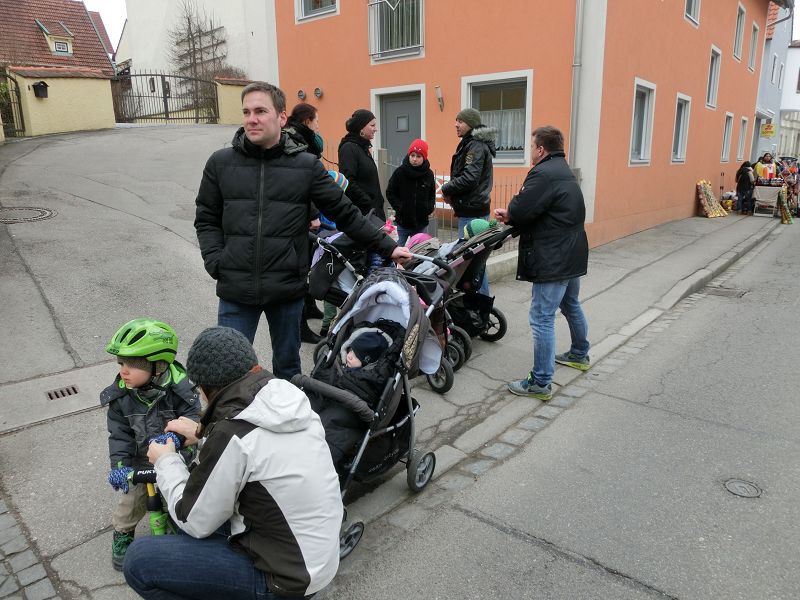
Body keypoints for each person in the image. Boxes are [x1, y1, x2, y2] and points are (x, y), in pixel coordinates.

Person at [194, 82, 411, 380]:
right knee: (229, 374)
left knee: (288, 369)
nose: (251, 119)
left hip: (286, 288)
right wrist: (216, 262)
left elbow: (346, 214)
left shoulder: (305, 166)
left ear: (281, 117)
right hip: (236, 288)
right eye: (246, 112)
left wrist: (388, 246)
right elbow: (206, 218)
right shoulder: (220, 164)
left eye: (260, 111)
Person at [123, 326, 343, 599]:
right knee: (199, 507)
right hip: (315, 558)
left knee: (139, 560)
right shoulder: (288, 401)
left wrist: (166, 460)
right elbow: (255, 451)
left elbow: (193, 519)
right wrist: (203, 434)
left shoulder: (232, 435)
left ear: (207, 387)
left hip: (283, 580)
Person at [494, 126, 590, 401]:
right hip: (572, 252)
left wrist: (509, 213)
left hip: (554, 256)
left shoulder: (543, 174)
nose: (530, 151)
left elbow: (522, 208)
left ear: (540, 149)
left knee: (541, 318)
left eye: (531, 146)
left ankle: (540, 381)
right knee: (570, 304)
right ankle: (579, 354)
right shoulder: (564, 171)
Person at [101, 318, 200, 571]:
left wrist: (177, 441)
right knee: (130, 503)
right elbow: (120, 436)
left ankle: (180, 525)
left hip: (175, 456)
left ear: (158, 366)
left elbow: (193, 420)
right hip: (140, 461)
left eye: (133, 364)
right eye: (121, 363)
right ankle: (123, 534)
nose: (123, 371)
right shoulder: (121, 397)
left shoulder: (181, 390)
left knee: (181, 498)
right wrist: (120, 466)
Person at [441, 107, 497, 296]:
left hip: (472, 212)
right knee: (476, 262)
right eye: (456, 120)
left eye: (460, 121)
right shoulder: (471, 143)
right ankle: (481, 302)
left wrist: (447, 188)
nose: (456, 124)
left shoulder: (475, 146)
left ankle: (480, 303)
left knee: (472, 263)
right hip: (471, 209)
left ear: (471, 124)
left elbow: (470, 178)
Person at [285, 102, 326, 344]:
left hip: (302, 215)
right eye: (316, 121)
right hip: (299, 219)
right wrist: (312, 214)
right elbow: (302, 187)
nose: (318, 125)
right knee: (300, 273)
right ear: (307, 121)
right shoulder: (295, 143)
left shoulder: (300, 139)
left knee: (308, 266)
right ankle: (300, 327)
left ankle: (309, 306)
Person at [386, 138, 436, 245]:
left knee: (418, 249)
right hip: (403, 222)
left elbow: (432, 194)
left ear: (424, 157)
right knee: (398, 248)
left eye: (418, 156)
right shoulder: (400, 172)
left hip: (420, 223)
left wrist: (428, 208)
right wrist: (400, 207)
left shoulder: (429, 174)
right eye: (412, 155)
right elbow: (390, 192)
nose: (414, 159)